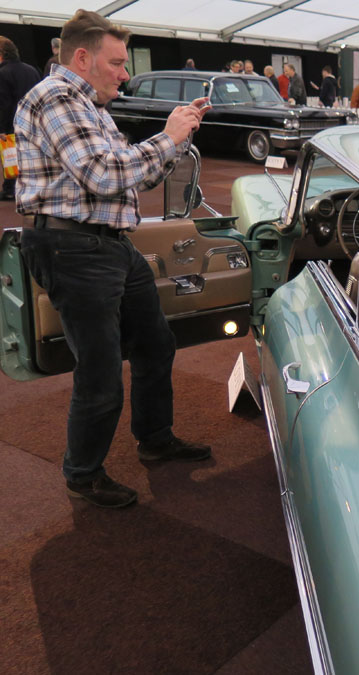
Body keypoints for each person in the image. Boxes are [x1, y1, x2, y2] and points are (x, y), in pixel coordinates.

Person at [14, 9, 212, 509]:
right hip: (73, 248)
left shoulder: (91, 105)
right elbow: (102, 175)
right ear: (82, 58)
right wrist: (168, 137)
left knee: (154, 343)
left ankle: (155, 438)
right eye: (118, 63)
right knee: (100, 370)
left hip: (107, 244)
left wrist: (178, 136)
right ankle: (83, 473)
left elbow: (134, 177)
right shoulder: (56, 97)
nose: (125, 74)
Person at [0, 36, 41, 200]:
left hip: (12, 123)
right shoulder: (32, 70)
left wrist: (1, 128)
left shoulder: (3, 73)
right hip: (33, 122)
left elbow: (3, 103)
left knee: (10, 158)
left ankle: (10, 189)